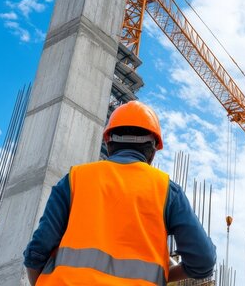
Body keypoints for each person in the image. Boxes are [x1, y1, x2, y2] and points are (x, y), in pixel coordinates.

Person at [23, 100, 216, 285]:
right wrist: (162, 276)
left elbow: (37, 252)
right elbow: (204, 261)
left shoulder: (75, 179)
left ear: (108, 142)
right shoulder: (167, 191)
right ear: (153, 151)